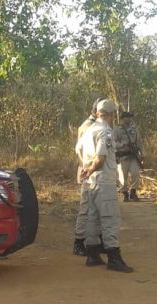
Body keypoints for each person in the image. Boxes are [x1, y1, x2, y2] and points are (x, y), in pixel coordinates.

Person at [79, 99, 133, 272]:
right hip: (104, 180)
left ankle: (92, 254)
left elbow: (77, 149)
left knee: (92, 217)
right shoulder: (105, 132)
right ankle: (113, 257)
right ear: (111, 115)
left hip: (91, 182)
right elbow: (101, 158)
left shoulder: (89, 130)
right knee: (110, 218)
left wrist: (85, 168)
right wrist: (91, 168)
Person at [72, 98, 103, 256]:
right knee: (86, 207)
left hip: (95, 171)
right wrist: (86, 169)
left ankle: (97, 240)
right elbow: (80, 150)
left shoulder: (94, 125)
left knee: (97, 208)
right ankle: (79, 241)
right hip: (89, 171)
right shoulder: (88, 126)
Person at [113, 111, 143, 201]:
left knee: (135, 173)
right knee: (122, 176)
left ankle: (133, 192)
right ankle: (125, 193)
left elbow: (139, 141)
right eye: (128, 117)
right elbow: (113, 143)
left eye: (130, 117)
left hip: (133, 156)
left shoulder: (134, 129)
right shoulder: (117, 129)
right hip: (122, 156)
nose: (130, 119)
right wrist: (123, 145)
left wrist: (142, 153)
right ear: (123, 118)